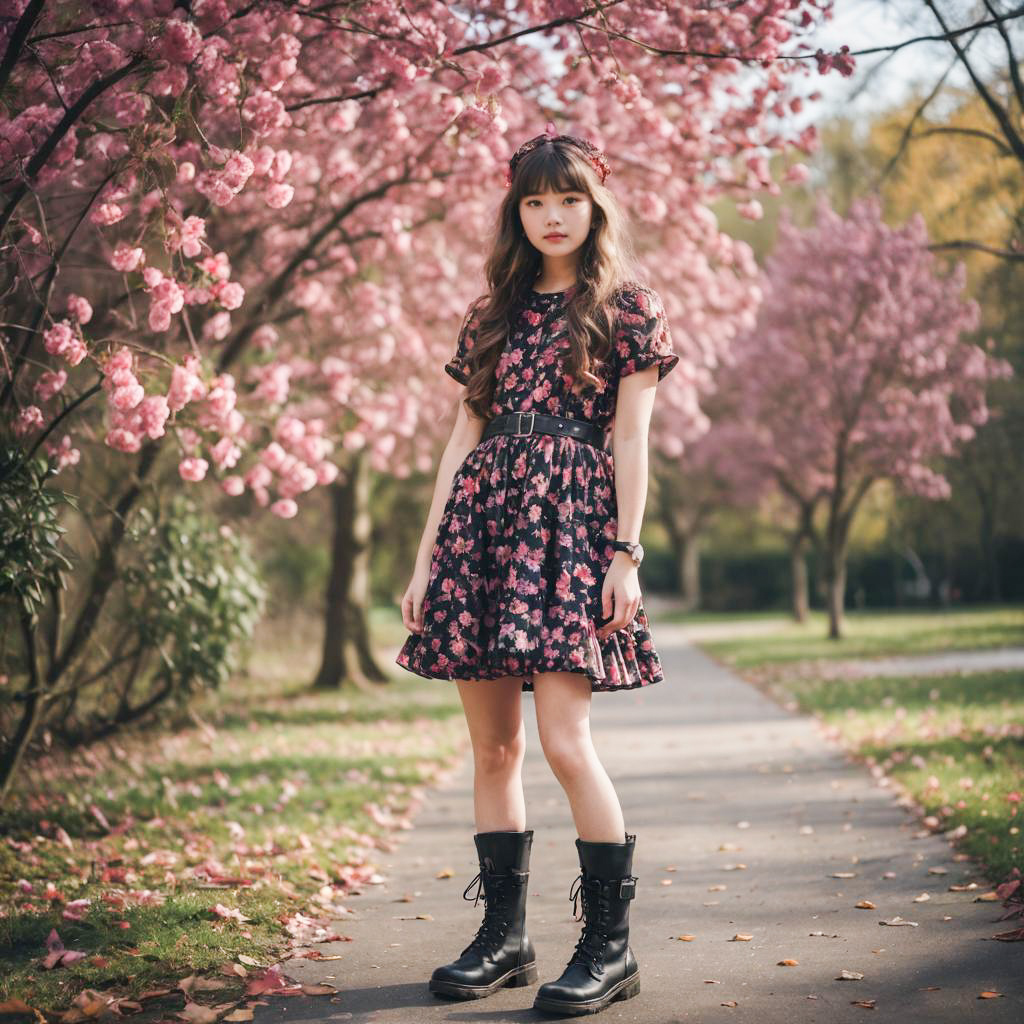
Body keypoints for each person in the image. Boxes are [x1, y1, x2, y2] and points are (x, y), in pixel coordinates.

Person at [395, 121, 679, 1016]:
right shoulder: (492, 314)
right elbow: (460, 436)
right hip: (481, 528)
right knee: (493, 747)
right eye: (534, 201)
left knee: (563, 741)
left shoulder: (628, 309)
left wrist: (625, 553)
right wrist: (424, 555)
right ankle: (506, 939)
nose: (552, 216)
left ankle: (610, 947)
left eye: (568, 199)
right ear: (515, 211)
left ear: (596, 206)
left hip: (569, 530)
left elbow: (631, 437)